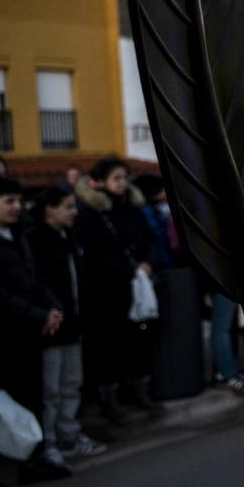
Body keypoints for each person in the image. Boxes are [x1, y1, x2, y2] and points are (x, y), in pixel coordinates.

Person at [0, 176, 73, 483]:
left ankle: (33, 461)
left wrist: (52, 310)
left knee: (32, 397)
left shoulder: (18, 234)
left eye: (19, 201)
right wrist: (38, 315)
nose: (16, 207)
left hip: (32, 333)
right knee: (9, 401)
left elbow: (35, 279)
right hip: (3, 337)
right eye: (8, 201)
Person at [75, 157, 164, 423]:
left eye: (124, 177)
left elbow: (151, 240)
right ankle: (110, 400)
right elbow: (93, 253)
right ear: (100, 182)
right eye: (116, 178)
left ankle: (139, 391)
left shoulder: (133, 208)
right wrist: (126, 268)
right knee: (110, 346)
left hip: (138, 286)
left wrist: (147, 263)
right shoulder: (91, 213)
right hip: (107, 290)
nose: (122, 183)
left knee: (139, 341)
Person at [27, 188, 107, 458]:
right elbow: (37, 283)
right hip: (50, 325)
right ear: (49, 208)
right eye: (68, 207)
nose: (74, 212)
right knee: (50, 389)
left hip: (73, 323)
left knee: (71, 383)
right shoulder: (35, 239)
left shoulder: (68, 236)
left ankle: (69, 434)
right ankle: (49, 442)